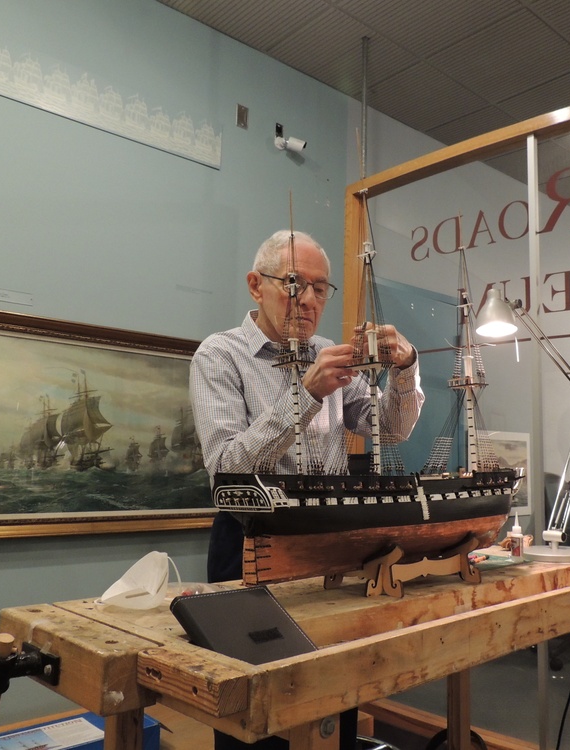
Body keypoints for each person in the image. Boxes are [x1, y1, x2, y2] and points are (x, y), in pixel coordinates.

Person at [190, 229, 424, 750]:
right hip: (251, 542)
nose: (310, 300)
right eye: (295, 284)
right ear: (256, 285)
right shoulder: (220, 356)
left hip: (329, 544)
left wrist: (405, 370)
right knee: (254, 708)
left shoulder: (327, 353)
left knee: (331, 694)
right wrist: (307, 394)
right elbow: (228, 472)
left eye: (321, 289)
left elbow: (391, 427)